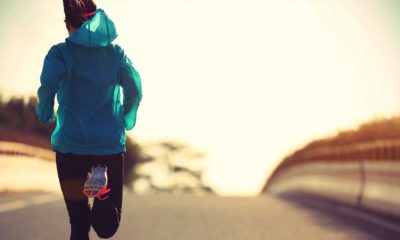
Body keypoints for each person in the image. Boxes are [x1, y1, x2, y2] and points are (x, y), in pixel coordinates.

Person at [36, 0, 142, 239]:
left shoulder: (59, 53)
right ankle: (102, 192)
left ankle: (97, 187)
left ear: (67, 25)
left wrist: (46, 112)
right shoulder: (116, 53)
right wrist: (127, 117)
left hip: (70, 148)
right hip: (108, 148)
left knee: (78, 221)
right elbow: (134, 88)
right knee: (107, 227)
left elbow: (47, 86)